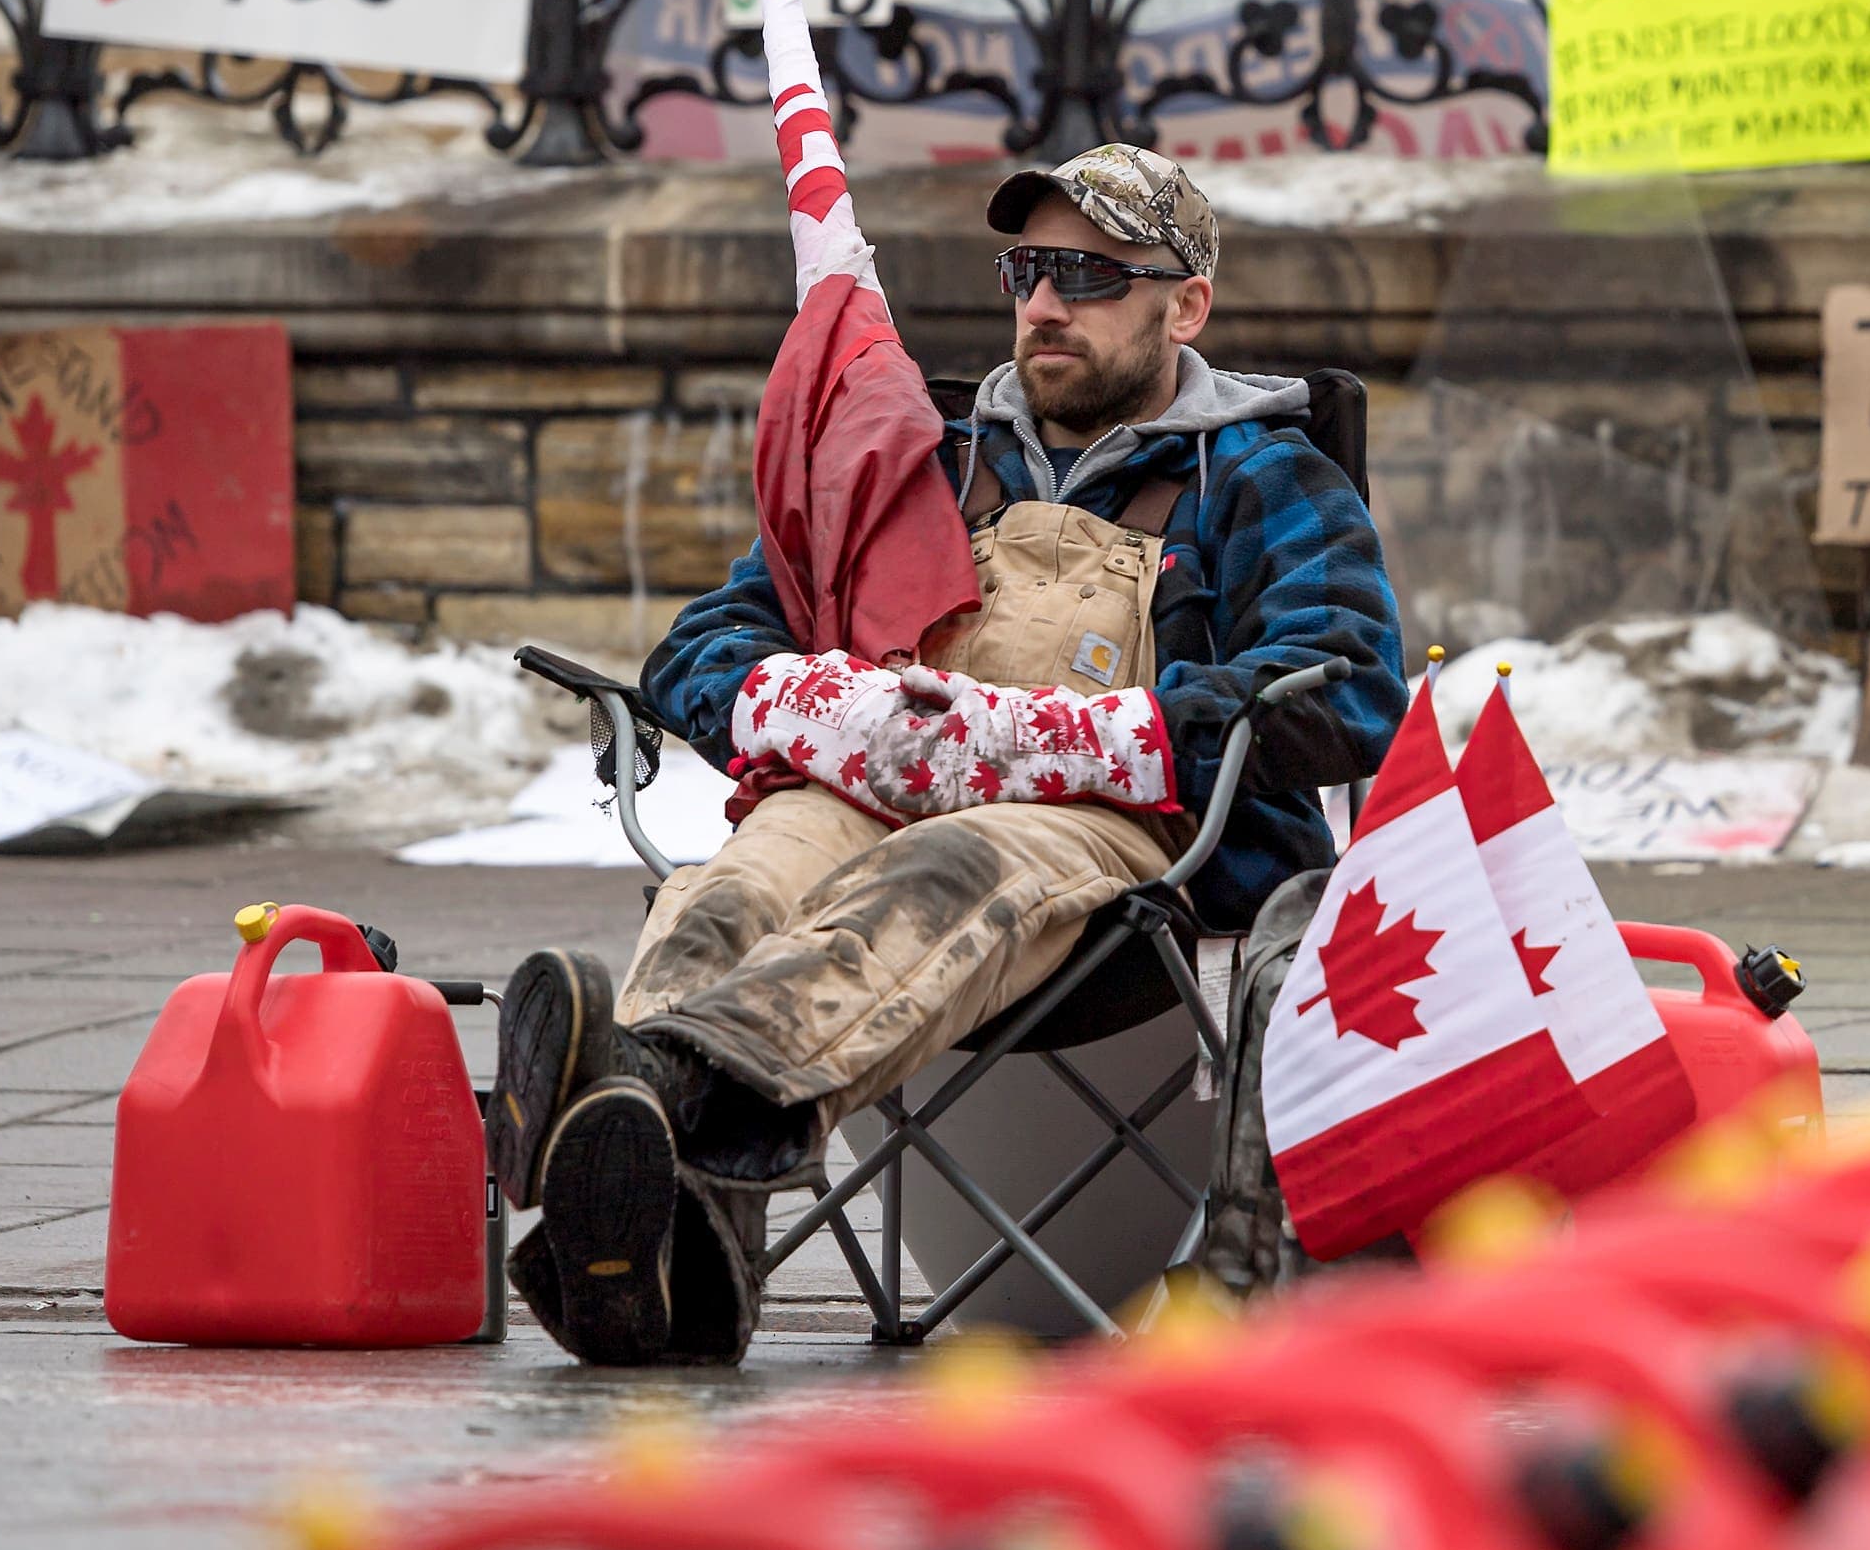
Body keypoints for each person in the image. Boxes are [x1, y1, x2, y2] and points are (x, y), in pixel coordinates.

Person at [490, 141, 1407, 1365]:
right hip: (887, 783)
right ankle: (668, 1245)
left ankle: (645, 1094)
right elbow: (706, 641)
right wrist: (814, 709)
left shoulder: (1257, 469)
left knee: (949, 865)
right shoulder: (923, 456)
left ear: (1186, 304)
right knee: (751, 872)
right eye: (1026, 269)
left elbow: (1346, 690)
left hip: (1126, 837)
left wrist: (1067, 737)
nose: (1043, 305)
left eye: (1089, 274)